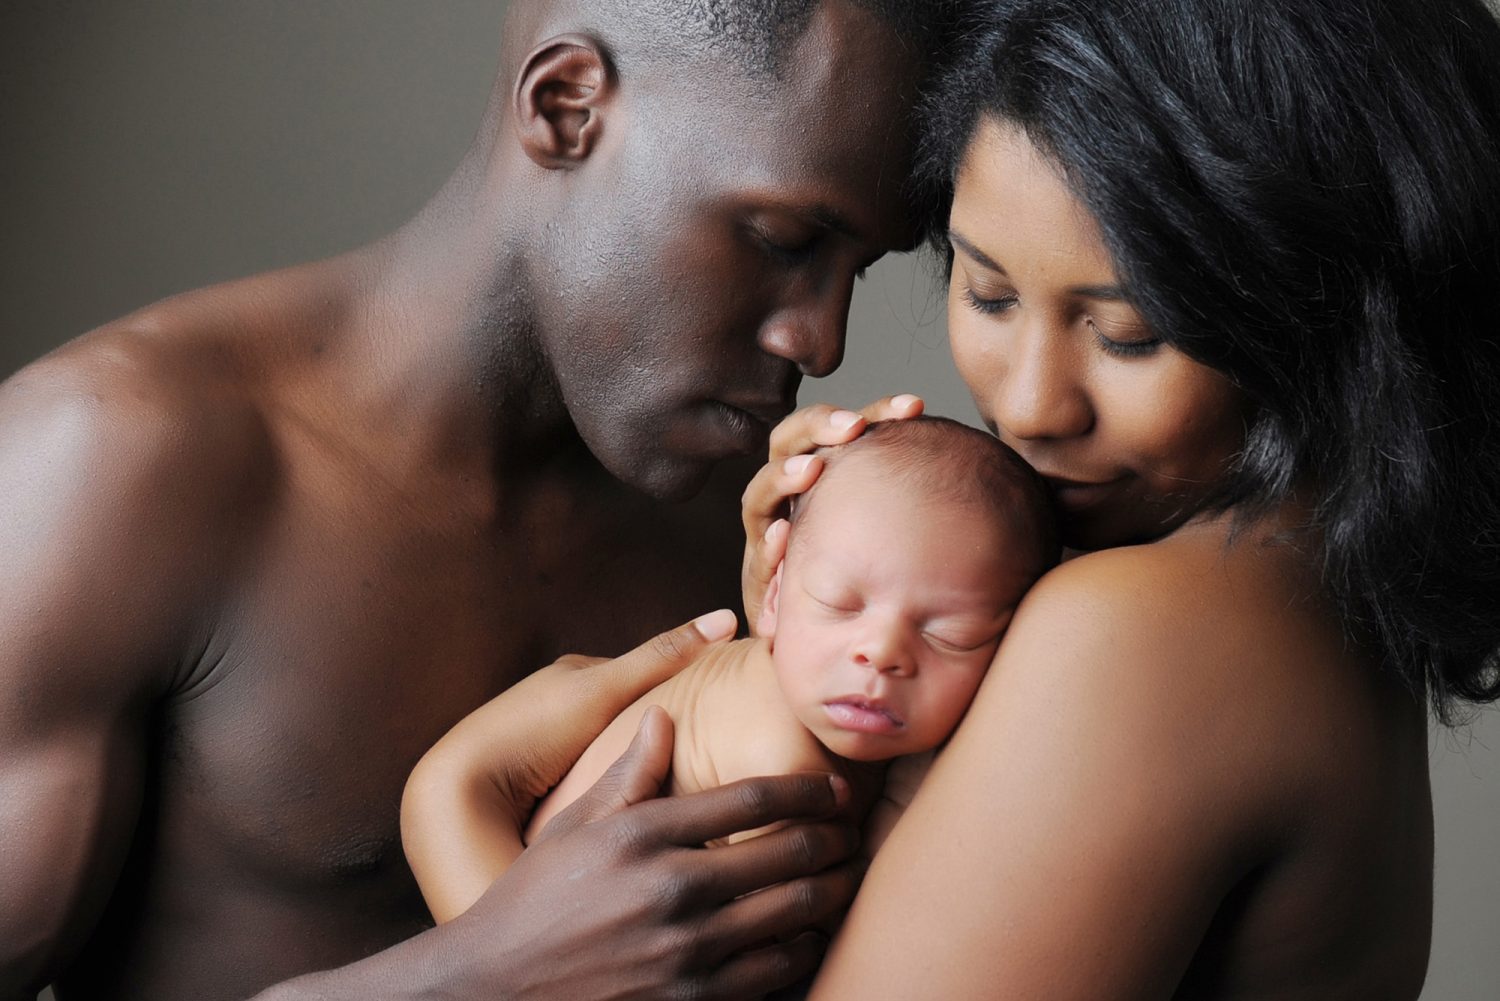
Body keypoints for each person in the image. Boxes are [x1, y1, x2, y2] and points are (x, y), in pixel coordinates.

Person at [0, 2, 965, 998]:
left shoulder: (769, 535)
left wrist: (793, 632)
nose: (822, 341)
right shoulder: (121, 458)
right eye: (785, 236)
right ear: (568, 105)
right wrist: (469, 979)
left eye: (857, 270)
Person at [731, 0, 1500, 996]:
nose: (1030, 404)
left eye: (1130, 333)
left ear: (1329, 310)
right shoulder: (1309, 587)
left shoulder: (1146, 636)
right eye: (990, 293)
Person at [401, 416, 1059, 923]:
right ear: (771, 595)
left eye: (951, 634)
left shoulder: (796, 696)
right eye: (838, 602)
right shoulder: (781, 759)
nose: (882, 653)